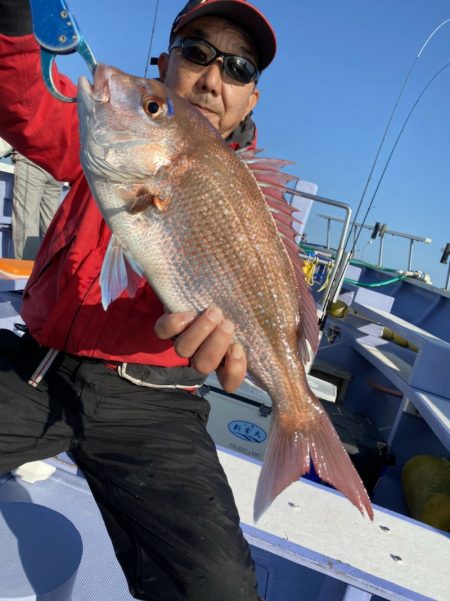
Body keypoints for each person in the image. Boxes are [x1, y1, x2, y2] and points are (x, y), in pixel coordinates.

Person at [0, 1, 276, 599]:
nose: (211, 78)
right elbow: (23, 104)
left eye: (238, 68)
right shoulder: (109, 132)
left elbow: (260, 299)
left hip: (157, 408)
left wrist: (239, 346)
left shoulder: (254, 206)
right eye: (197, 53)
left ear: (250, 99)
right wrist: (12, 23)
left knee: (220, 589)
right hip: (39, 369)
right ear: (166, 61)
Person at [10, 150, 64, 259]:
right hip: (57, 165)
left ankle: (27, 271)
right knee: (51, 224)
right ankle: (52, 270)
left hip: (32, 161)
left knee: (26, 221)